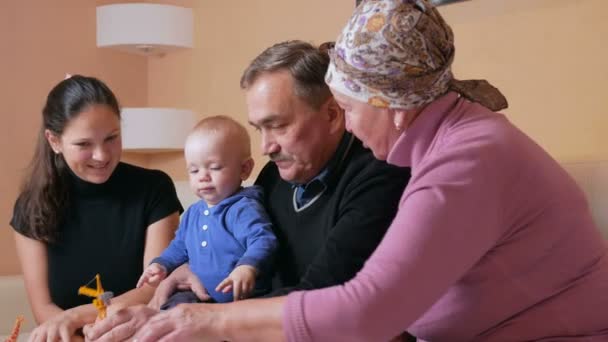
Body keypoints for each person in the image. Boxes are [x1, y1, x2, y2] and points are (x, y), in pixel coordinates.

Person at [89, 0, 608, 341]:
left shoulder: (466, 159)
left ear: (394, 108)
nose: (352, 129)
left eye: (350, 110)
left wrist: (203, 319)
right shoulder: (445, 139)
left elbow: (365, 310)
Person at [84, 40, 413, 341]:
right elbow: (240, 247)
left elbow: (321, 299)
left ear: (331, 114)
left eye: (278, 125)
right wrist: (186, 272)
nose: (265, 147)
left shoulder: (379, 178)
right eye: (259, 128)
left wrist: (201, 318)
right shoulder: (273, 176)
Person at [10, 75, 183, 342]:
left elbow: (154, 288)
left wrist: (77, 315)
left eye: (111, 138)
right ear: (54, 141)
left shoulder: (154, 188)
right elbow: (44, 310)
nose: (102, 155)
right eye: (84, 144)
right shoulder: (30, 207)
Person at [136, 115, 277, 306]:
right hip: (201, 294)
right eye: (194, 171)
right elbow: (179, 247)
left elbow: (262, 241)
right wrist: (161, 264)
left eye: (215, 167)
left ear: (244, 169)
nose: (203, 177)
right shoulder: (194, 213)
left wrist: (247, 267)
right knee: (169, 310)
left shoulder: (242, 208)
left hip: (244, 299)